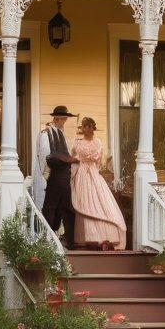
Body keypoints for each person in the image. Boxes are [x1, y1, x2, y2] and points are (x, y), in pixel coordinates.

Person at [71, 117, 126, 250]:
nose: (86, 129)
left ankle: (104, 237)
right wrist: (75, 173)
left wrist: (88, 162)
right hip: (81, 175)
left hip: (94, 174)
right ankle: (87, 238)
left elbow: (98, 161)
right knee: (85, 202)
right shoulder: (77, 142)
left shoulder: (97, 142)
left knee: (100, 202)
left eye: (89, 126)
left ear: (92, 128)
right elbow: (73, 159)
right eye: (84, 126)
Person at [37, 105, 77, 244]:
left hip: (64, 175)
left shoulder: (60, 133)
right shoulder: (46, 134)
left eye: (65, 119)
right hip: (55, 175)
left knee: (64, 208)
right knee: (51, 207)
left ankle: (67, 240)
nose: (65, 122)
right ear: (57, 118)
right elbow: (45, 156)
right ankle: (48, 238)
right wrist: (47, 175)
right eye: (63, 119)